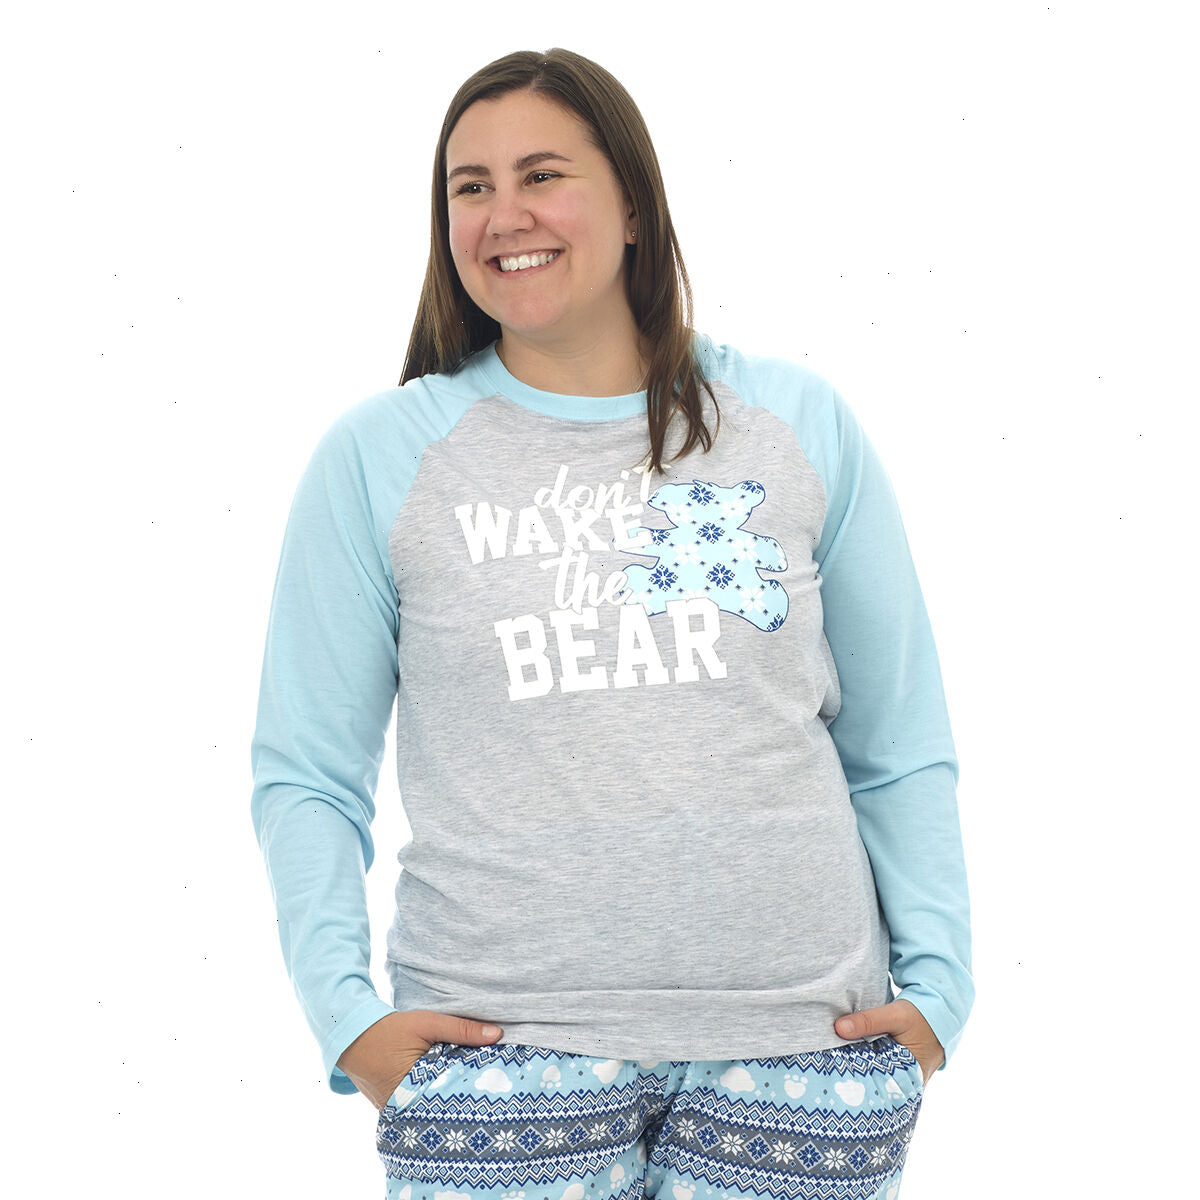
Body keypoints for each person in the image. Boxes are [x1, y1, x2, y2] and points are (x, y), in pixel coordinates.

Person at [250, 47, 973, 1200]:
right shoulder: (380, 457)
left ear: (632, 204)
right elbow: (308, 774)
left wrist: (939, 994)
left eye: (542, 175)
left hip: (803, 1046)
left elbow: (898, 739)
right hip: (495, 1054)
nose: (505, 215)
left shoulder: (791, 421)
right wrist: (347, 1019)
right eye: (471, 187)